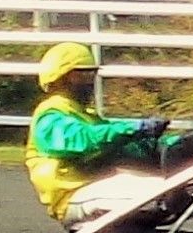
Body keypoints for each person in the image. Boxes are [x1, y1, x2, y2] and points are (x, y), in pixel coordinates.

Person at [25, 40, 177, 219]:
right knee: (164, 192)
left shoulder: (83, 114)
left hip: (97, 187)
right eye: (84, 75)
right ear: (63, 77)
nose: (91, 81)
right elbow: (85, 139)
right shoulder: (49, 115)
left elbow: (122, 147)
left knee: (174, 187)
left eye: (92, 74)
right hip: (75, 195)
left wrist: (173, 143)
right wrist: (135, 128)